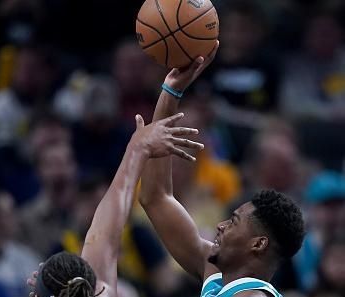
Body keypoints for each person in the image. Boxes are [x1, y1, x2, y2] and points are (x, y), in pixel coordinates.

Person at [139, 40, 305, 297]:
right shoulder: (216, 275)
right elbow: (155, 197)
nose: (220, 225)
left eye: (234, 221)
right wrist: (171, 92)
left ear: (258, 244)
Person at [27, 109, 205, 297]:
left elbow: (169, 286)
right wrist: (138, 147)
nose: (95, 210)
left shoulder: (136, 236)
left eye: (99, 202)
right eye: (90, 202)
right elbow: (124, 199)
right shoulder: (67, 248)